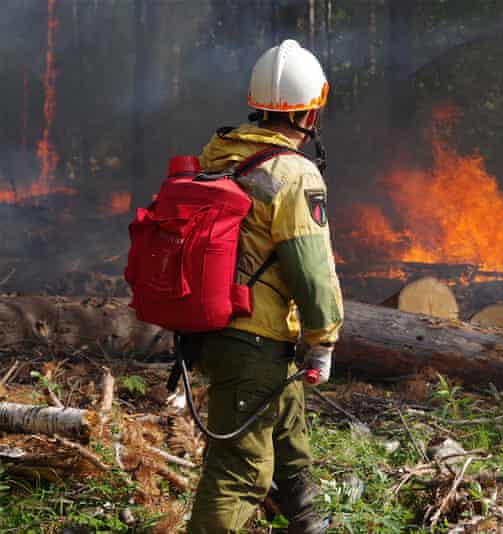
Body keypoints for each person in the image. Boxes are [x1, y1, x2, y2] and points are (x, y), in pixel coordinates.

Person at [186, 39, 343, 534]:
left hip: (217, 329)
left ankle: (306, 519)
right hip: (254, 335)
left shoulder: (219, 155)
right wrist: (324, 340)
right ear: (309, 112)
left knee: (286, 425)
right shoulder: (295, 174)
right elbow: (312, 271)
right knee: (238, 475)